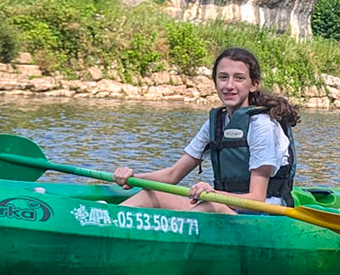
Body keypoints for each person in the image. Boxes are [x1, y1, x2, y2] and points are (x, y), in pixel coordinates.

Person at [111, 47, 301, 213]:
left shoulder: (262, 125)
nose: (229, 86)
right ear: (215, 81)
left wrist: (213, 195)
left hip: (262, 214)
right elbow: (172, 175)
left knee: (214, 207)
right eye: (223, 77)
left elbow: (257, 199)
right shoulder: (216, 122)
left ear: (254, 85)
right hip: (225, 207)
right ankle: (106, 222)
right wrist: (133, 178)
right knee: (153, 194)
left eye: (239, 78)